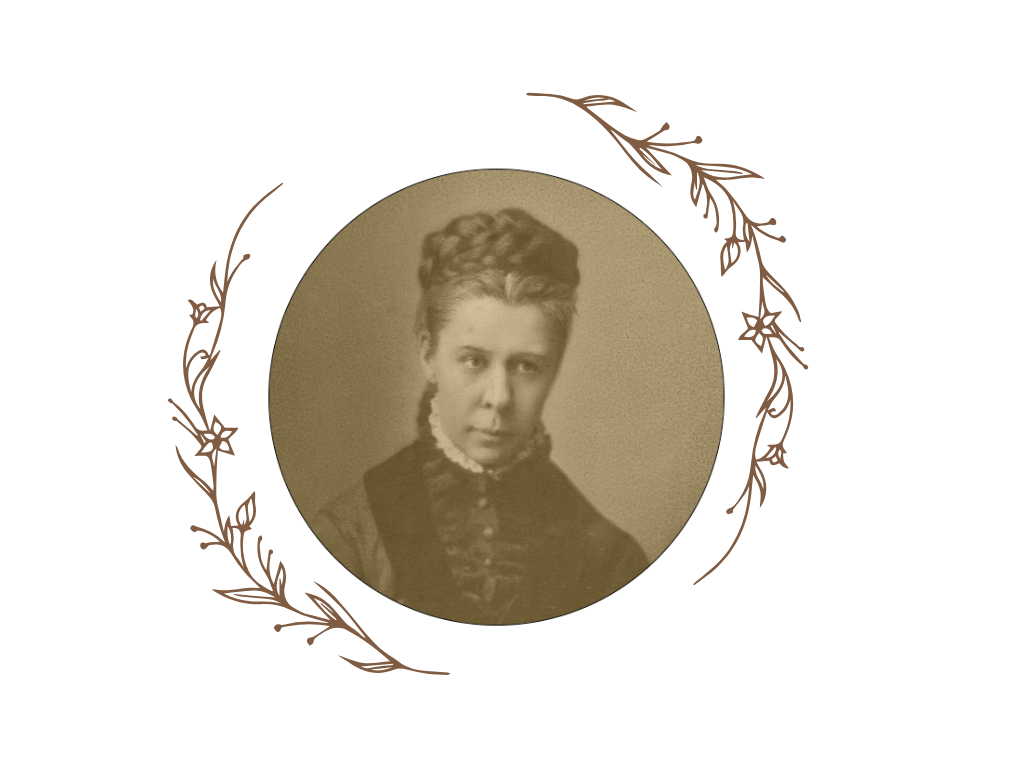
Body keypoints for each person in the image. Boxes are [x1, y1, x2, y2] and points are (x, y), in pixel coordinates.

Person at [310, 208, 649, 624]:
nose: (499, 397)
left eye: (526, 366)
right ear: (428, 355)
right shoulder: (347, 536)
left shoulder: (609, 560)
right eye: (474, 361)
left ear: (555, 368)